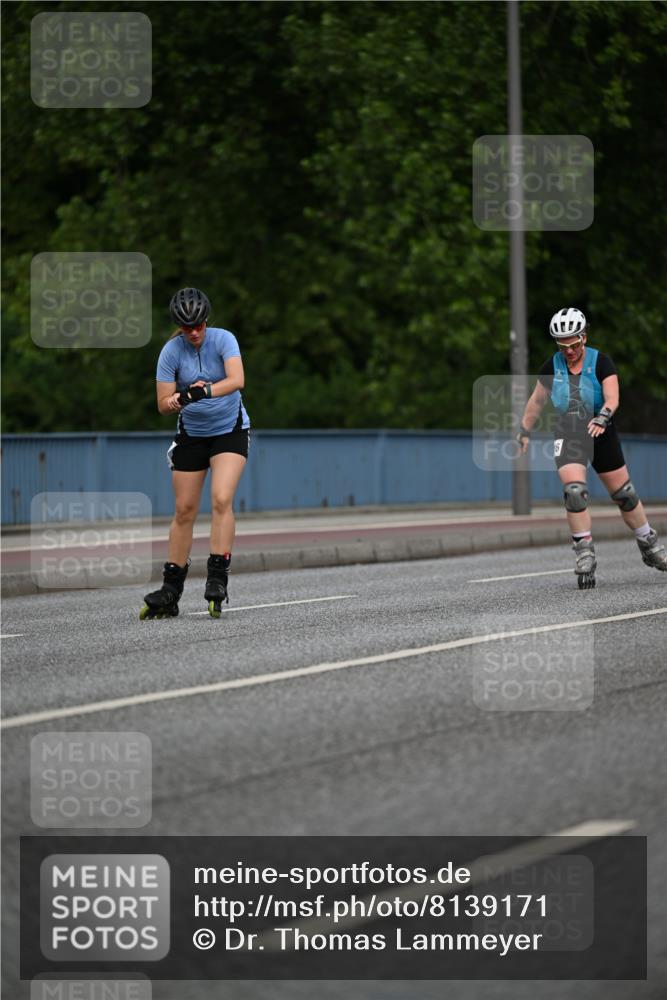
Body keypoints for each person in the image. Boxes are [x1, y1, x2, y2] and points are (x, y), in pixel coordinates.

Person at [517, 306, 667, 588]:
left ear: (584, 337)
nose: (569, 350)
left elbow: (612, 397)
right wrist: (524, 429)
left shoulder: (601, 362)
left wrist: (603, 417)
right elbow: (537, 401)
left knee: (624, 495)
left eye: (573, 344)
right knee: (574, 492)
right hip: (569, 431)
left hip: (601, 430)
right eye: (563, 345)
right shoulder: (552, 366)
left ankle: (649, 545)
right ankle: (584, 551)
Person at [140, 287, 250, 619]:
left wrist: (204, 392)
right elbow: (161, 404)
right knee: (184, 510)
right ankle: (171, 589)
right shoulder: (171, 352)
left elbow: (237, 379)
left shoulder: (223, 339)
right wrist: (175, 400)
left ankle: (217, 578)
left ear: (206, 320)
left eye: (199, 324)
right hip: (192, 435)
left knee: (220, 499)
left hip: (229, 431)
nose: (195, 332)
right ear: (179, 327)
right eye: (188, 328)